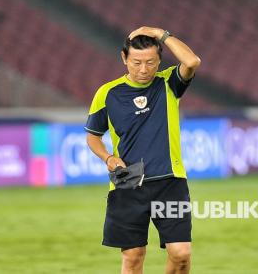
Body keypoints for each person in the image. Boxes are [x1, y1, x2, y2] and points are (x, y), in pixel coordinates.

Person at [85, 26, 201, 274]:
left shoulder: (169, 83)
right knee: (133, 257)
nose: (144, 69)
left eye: (151, 62)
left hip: (170, 182)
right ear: (124, 58)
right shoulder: (107, 93)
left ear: (160, 60)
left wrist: (161, 34)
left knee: (181, 254)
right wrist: (108, 157)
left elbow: (192, 61)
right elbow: (93, 137)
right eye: (136, 62)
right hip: (128, 183)